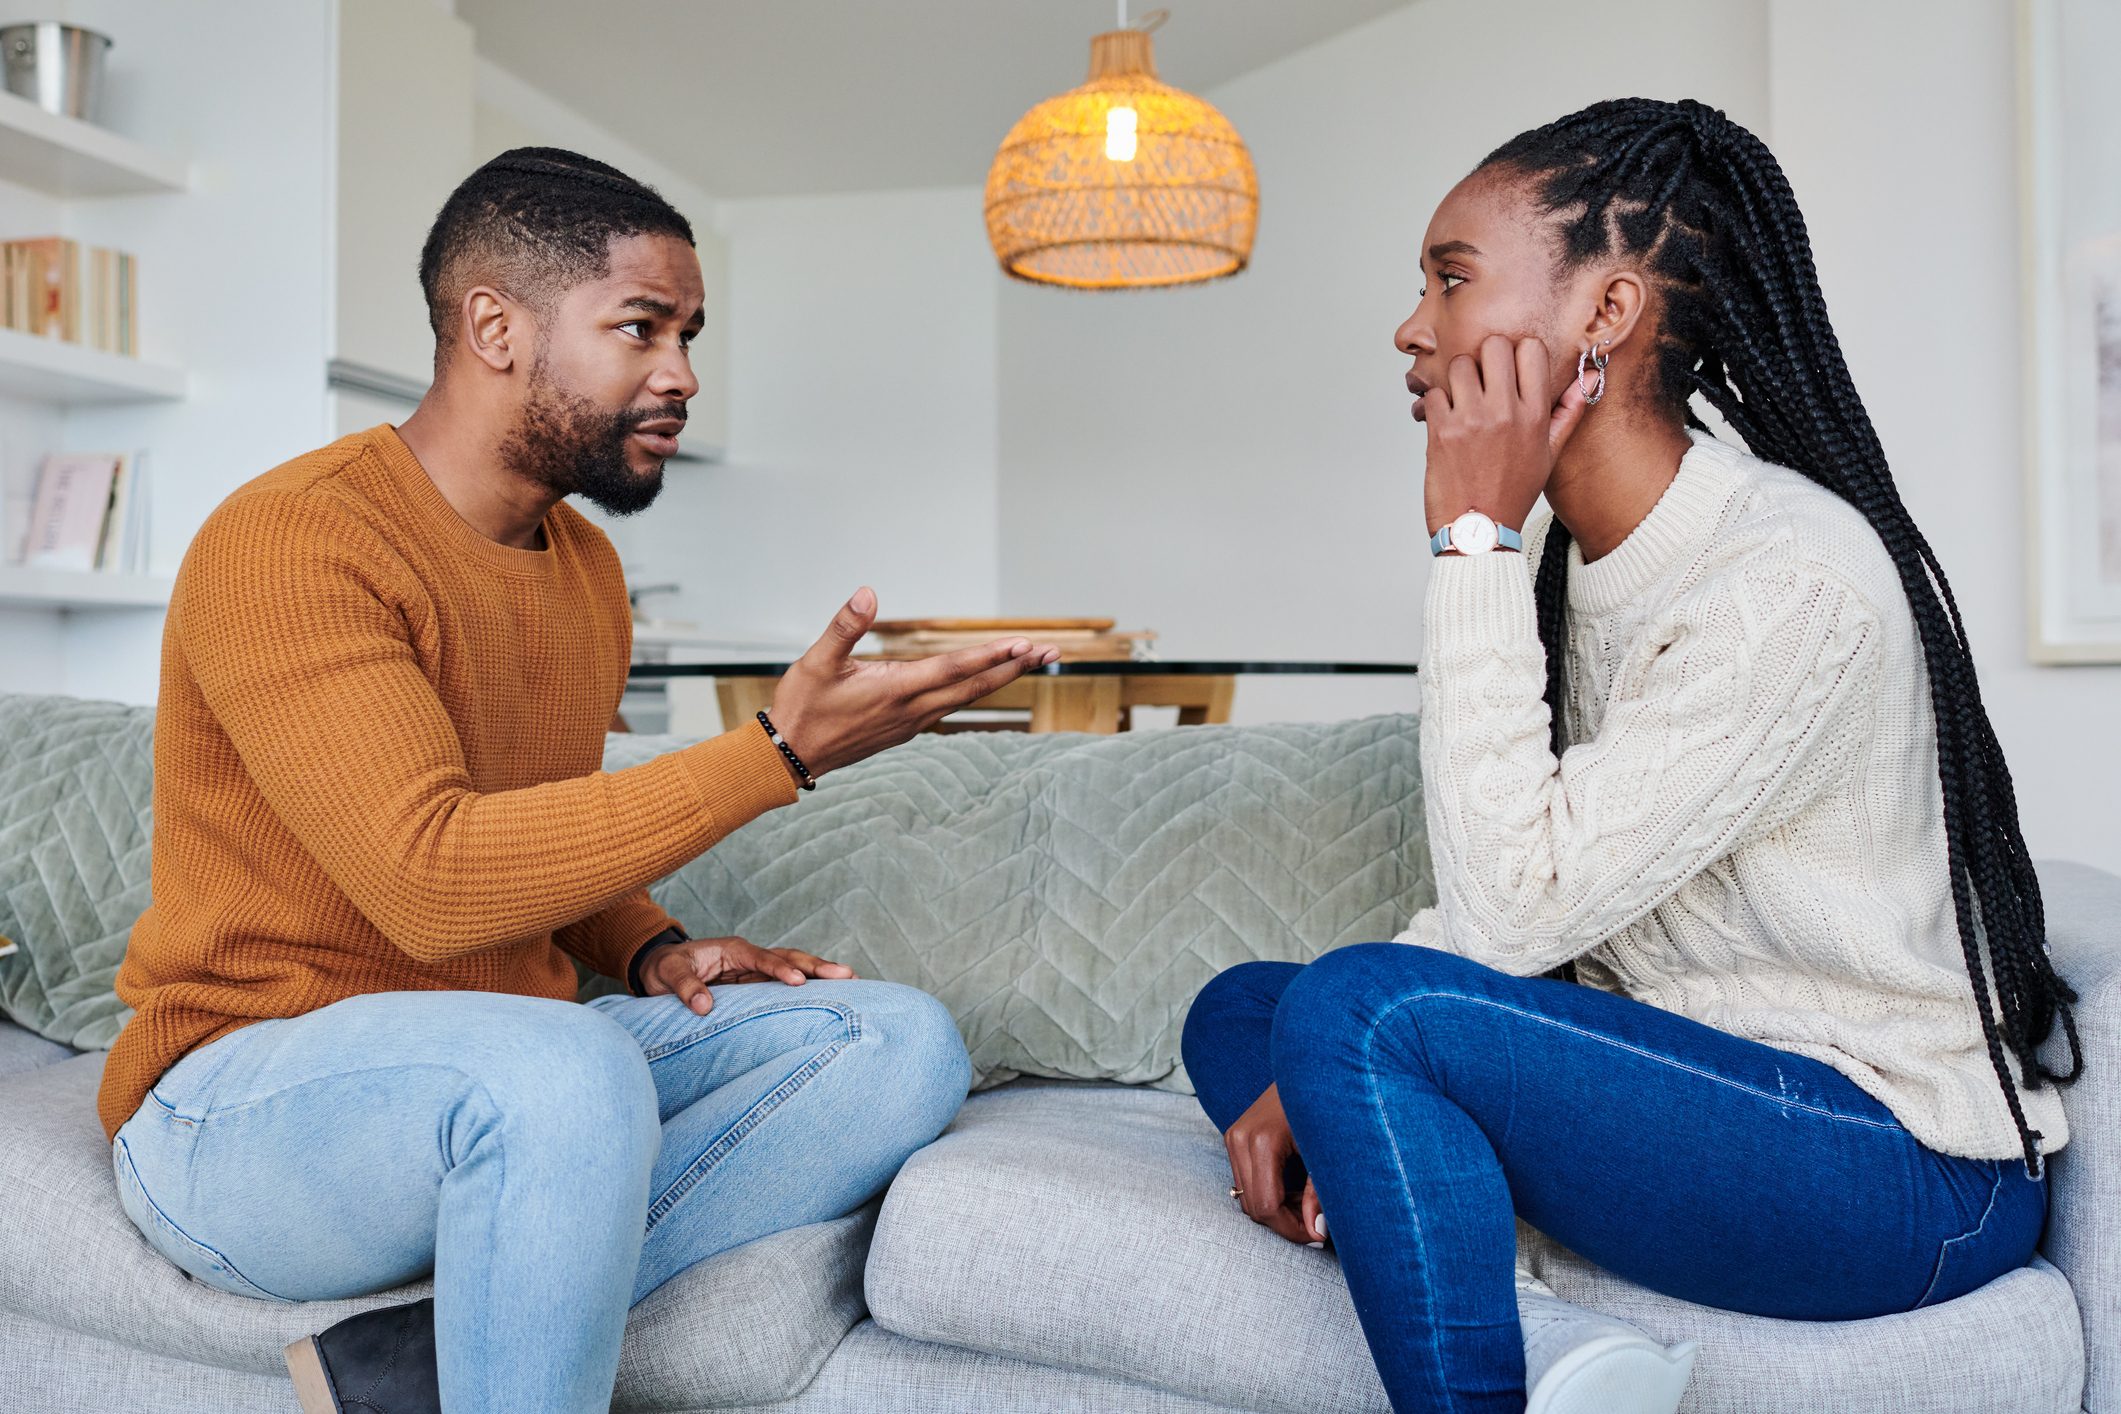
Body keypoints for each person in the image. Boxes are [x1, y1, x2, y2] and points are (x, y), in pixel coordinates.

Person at [98, 147, 1061, 1414]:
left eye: (689, 333)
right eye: (641, 328)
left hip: (506, 1065)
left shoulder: (585, 568)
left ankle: (428, 1359)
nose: (683, 373)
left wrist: (652, 944)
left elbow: (523, 828)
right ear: (496, 327)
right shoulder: (295, 540)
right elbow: (432, 878)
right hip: (243, 1100)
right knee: (562, 1068)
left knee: (895, 1042)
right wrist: (771, 755)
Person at [1181, 98, 2081, 1414]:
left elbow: (1508, 908)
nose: (1411, 328)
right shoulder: (1569, 560)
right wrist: (1500, 548)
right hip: (1686, 1073)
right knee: (1248, 1011)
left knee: (1354, 1013)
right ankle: (1553, 1346)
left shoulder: (1788, 583)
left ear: (1603, 314)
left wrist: (1470, 543)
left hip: (1897, 1169)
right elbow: (1519, 902)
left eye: (1450, 277)